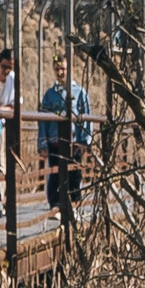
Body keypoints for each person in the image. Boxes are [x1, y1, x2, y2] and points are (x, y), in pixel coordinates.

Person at [37, 51, 93, 213]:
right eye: (57, 69)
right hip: (55, 141)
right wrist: (43, 143)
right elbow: (43, 120)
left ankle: (74, 205)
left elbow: (86, 117)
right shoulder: (49, 95)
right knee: (55, 174)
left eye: (63, 69)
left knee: (74, 174)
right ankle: (55, 206)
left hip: (74, 142)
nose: (60, 72)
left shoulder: (80, 93)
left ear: (70, 69)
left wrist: (84, 140)